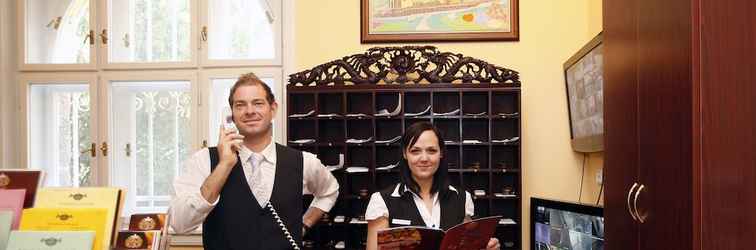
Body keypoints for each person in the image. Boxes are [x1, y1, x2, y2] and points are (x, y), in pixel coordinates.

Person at [169, 73, 339, 249]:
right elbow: (180, 223)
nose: (250, 111)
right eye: (240, 105)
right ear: (231, 114)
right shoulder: (204, 161)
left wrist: (304, 224)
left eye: (258, 103)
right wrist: (223, 166)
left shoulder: (304, 162)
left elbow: (329, 191)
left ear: (273, 109)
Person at [365, 122, 500, 250]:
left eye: (431, 150)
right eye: (415, 151)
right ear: (405, 154)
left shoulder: (463, 198)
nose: (424, 158)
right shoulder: (381, 201)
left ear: (441, 153)